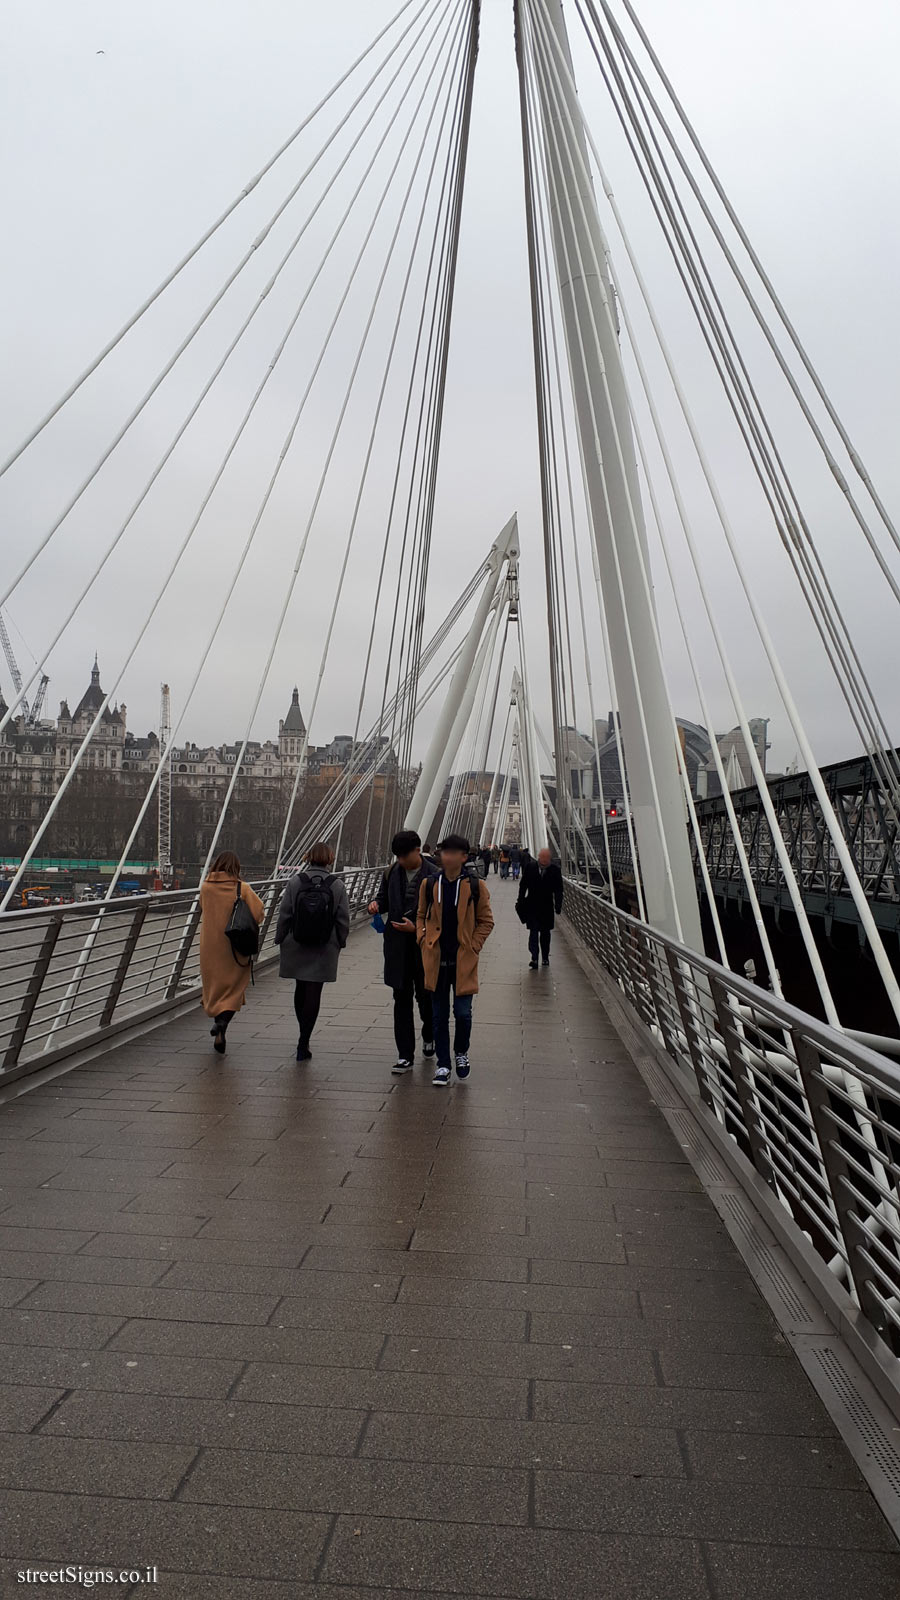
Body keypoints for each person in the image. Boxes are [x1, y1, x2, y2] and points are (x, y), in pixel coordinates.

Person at [417, 832, 494, 1086]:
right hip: (436, 960)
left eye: (451, 852)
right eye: (443, 852)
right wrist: (423, 939)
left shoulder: (475, 886)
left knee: (462, 1014)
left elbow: (486, 921)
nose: (446, 856)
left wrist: (473, 946)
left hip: (463, 960)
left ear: (463, 857)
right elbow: (420, 916)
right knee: (438, 1015)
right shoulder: (429, 885)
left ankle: (461, 1052)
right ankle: (443, 1064)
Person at [368, 829, 439, 1074]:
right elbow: (383, 899)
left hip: (424, 947)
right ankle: (404, 1054)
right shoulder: (391, 873)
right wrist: (376, 905)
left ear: (417, 851)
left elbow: (440, 917)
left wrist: (417, 929)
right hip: (397, 947)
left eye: (404, 856)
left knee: (425, 997)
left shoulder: (435, 875)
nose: (400, 861)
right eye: (397, 856)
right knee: (401, 998)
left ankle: (429, 1033)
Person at [275, 841, 350, 1061]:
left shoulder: (295, 881)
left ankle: (301, 1033)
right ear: (329, 859)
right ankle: (304, 1040)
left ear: (308, 857)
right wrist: (340, 942)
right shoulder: (337, 885)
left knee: (300, 986)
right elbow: (342, 919)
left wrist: (280, 939)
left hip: (296, 943)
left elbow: (285, 914)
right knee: (314, 991)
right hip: (324, 945)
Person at [199, 851, 265, 1055]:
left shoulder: (206, 887)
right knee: (234, 988)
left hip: (210, 945)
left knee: (214, 986)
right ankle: (222, 1024)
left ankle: (217, 1020)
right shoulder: (241, 888)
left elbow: (203, 908)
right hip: (235, 946)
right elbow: (259, 913)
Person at [516, 846, 564, 968]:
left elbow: (559, 890)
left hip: (547, 907)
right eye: (542, 857)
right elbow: (523, 885)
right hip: (532, 905)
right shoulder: (530, 867)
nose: (544, 860)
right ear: (538, 857)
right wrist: (521, 900)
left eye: (546, 858)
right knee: (533, 932)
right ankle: (534, 958)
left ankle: (545, 957)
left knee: (545, 934)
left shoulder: (555, 870)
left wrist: (558, 905)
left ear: (550, 859)